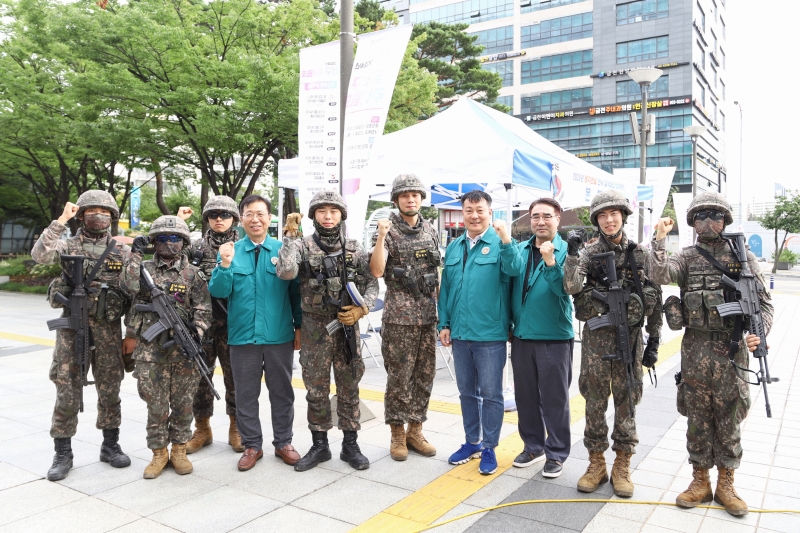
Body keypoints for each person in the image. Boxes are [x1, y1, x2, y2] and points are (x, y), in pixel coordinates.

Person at [649, 192, 773, 516]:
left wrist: (760, 335)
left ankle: (726, 484)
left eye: (714, 215)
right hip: (695, 350)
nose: (707, 222)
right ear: (691, 222)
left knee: (730, 417)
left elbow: (765, 303)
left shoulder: (742, 258)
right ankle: (700, 481)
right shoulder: (687, 256)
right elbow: (659, 274)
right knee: (698, 419)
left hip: (731, 351)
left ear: (725, 220)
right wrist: (659, 240)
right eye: (700, 216)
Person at [562, 189, 664, 498]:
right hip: (596, 341)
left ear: (623, 216)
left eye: (614, 214)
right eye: (603, 216)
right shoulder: (589, 252)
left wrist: (655, 338)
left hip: (629, 341)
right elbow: (570, 286)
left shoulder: (639, 253)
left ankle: (622, 465)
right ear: (596, 220)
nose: (609, 220)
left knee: (627, 400)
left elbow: (654, 297)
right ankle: (596, 463)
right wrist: (571, 254)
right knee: (594, 402)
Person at [32, 191, 133, 481]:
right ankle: (63, 452)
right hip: (71, 328)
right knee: (66, 390)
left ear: (112, 216)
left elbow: (134, 291)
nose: (97, 214)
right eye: (91, 210)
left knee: (110, 390)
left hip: (108, 330)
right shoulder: (68, 244)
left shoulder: (121, 252)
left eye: (104, 210)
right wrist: (60, 220)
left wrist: (132, 334)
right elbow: (39, 255)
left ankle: (110, 445)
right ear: (81, 215)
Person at [276, 190, 378, 472]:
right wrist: (289, 238)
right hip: (314, 329)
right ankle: (320, 444)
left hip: (346, 327)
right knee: (316, 389)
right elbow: (285, 273)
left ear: (342, 215)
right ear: (313, 216)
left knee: (349, 387)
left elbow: (372, 284)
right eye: (322, 211)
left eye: (333, 211)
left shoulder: (355, 249)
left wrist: (363, 308)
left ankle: (350, 444)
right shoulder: (302, 246)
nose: (328, 216)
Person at [208, 194, 303, 471]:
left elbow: (295, 294)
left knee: (282, 392)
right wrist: (224, 265)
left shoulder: (283, 250)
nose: (255, 219)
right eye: (249, 214)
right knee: (245, 394)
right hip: (242, 337)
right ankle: (252, 445)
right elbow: (218, 292)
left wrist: (298, 327)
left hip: (278, 336)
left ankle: (283, 442)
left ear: (270, 218)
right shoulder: (230, 250)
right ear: (241, 219)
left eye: (260, 213)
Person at [121, 215, 211, 479]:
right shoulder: (143, 268)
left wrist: (197, 331)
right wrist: (135, 256)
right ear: (153, 242)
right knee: (155, 403)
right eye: (162, 239)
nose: (169, 244)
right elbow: (127, 287)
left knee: (184, 403)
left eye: (174, 239)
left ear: (183, 242)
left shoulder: (193, 274)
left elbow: (204, 308)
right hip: (150, 349)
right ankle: (159, 452)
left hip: (184, 350)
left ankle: (179, 450)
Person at [438, 190, 514, 476]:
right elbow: (446, 289)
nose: (474, 215)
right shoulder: (456, 247)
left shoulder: (501, 244)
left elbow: (515, 269)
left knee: (492, 394)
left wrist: (506, 240)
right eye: (468, 210)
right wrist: (443, 323)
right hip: (460, 334)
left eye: (479, 209)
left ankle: (490, 447)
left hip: (490, 334)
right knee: (466, 392)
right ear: (463, 213)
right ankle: (472, 441)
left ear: (490, 212)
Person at [497, 198, 574, 478]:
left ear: (558, 219)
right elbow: (510, 274)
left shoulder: (568, 251)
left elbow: (563, 289)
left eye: (547, 216)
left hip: (554, 335)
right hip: (522, 335)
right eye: (535, 216)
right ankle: (533, 446)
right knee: (525, 396)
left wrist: (550, 260)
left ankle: (556, 452)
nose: (540, 221)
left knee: (555, 398)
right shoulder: (520, 249)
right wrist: (506, 241)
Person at [369, 175, 441, 461]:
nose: (411, 199)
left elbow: (437, 273)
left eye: (415, 195)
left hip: (427, 316)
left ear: (421, 199)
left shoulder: (430, 229)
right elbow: (376, 271)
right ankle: (397, 434)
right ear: (396, 200)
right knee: (400, 377)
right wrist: (381, 237)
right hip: (399, 317)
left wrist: (442, 312)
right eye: (405, 195)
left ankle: (416, 430)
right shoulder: (387, 229)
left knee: (425, 375)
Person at [176, 198, 244, 455]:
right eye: (213, 214)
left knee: (235, 377)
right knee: (199, 378)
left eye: (225, 215)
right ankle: (202, 428)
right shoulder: (194, 246)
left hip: (233, 323)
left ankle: (236, 427)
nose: (219, 219)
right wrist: (180, 222)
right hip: (200, 324)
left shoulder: (243, 246)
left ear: (234, 219)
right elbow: (171, 256)